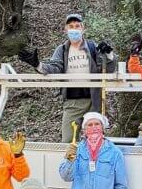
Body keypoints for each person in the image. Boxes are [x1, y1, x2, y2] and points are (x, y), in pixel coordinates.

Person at [19, 13, 117, 142]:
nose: (74, 29)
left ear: (83, 28)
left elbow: (108, 69)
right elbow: (54, 68)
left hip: (94, 101)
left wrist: (109, 54)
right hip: (73, 102)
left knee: (95, 140)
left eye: (77, 26)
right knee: (68, 141)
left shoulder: (93, 47)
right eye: (71, 26)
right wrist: (37, 64)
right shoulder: (62, 50)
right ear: (65, 30)